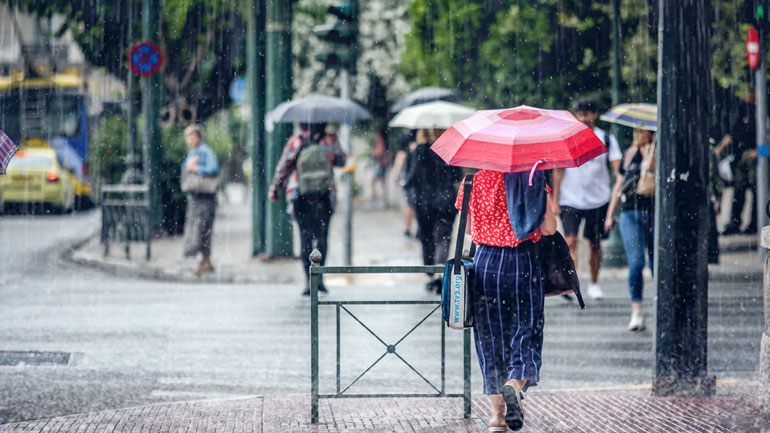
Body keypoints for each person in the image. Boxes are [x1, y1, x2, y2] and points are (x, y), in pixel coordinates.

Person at [456, 169, 557, 431]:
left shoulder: (471, 181)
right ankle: (514, 383)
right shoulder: (532, 179)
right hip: (522, 260)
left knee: (489, 339)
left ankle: (497, 416)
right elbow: (549, 228)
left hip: (485, 263)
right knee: (527, 329)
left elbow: (467, 227)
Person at [550, 98, 622, 300]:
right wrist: (555, 199)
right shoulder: (568, 138)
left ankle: (594, 282)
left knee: (595, 244)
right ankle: (573, 282)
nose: (582, 118)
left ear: (594, 115)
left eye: (585, 114)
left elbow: (617, 168)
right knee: (571, 241)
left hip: (598, 199)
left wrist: (619, 181)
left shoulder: (606, 139)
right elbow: (558, 171)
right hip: (570, 198)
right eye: (579, 114)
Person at [269, 123, 346, 296]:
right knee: (322, 237)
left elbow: (283, 166)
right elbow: (342, 160)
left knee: (305, 236)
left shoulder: (296, 141)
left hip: (300, 195)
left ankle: (308, 280)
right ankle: (320, 279)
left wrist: (275, 188)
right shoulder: (330, 139)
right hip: (325, 195)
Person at [604, 128, 656, 331]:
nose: (638, 135)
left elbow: (657, 174)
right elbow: (620, 183)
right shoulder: (629, 153)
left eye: (642, 131)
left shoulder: (657, 152)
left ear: (651, 134)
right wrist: (610, 214)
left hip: (652, 212)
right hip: (629, 212)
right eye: (636, 131)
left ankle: (661, 305)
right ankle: (637, 311)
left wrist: (649, 157)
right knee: (636, 262)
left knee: (656, 263)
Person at [402, 128, 462, 292]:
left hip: (424, 203)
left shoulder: (419, 151)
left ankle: (430, 276)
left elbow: (411, 178)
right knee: (443, 238)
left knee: (426, 238)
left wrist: (404, 182)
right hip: (446, 201)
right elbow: (457, 175)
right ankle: (440, 273)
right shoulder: (448, 150)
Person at [715, 98, 758, 235]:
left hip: (753, 157)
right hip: (740, 157)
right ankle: (735, 223)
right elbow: (732, 134)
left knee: (756, 191)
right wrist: (719, 148)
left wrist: (760, 151)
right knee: (739, 191)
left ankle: (754, 224)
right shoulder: (740, 111)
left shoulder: (758, 110)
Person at [181, 124, 219, 275]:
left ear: (199, 137)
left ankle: (203, 260)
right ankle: (205, 260)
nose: (189, 140)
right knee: (202, 228)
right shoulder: (195, 152)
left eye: (192, 137)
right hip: (197, 196)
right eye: (187, 137)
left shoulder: (204, 151)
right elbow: (185, 167)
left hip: (204, 197)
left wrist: (197, 169)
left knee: (201, 228)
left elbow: (213, 168)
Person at [392, 129, 418, 237]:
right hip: (420, 180)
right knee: (417, 204)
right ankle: (419, 229)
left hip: (409, 179)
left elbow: (401, 157)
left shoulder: (407, 136)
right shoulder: (422, 136)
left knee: (409, 204)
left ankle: (408, 228)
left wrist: (396, 175)